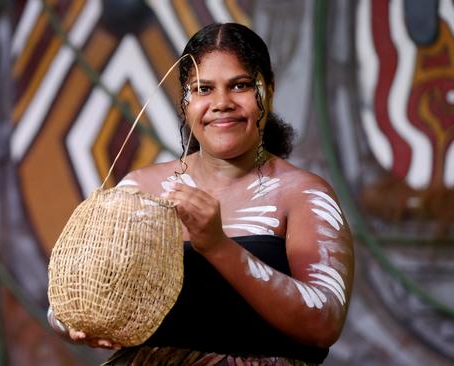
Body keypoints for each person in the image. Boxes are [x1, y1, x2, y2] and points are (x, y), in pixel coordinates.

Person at [49, 22, 354, 365]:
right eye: (203, 89)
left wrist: (218, 246)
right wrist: (71, 323)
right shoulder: (141, 190)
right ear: (185, 101)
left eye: (239, 86)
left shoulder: (304, 195)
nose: (221, 103)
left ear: (268, 90)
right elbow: (69, 300)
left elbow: (323, 322)